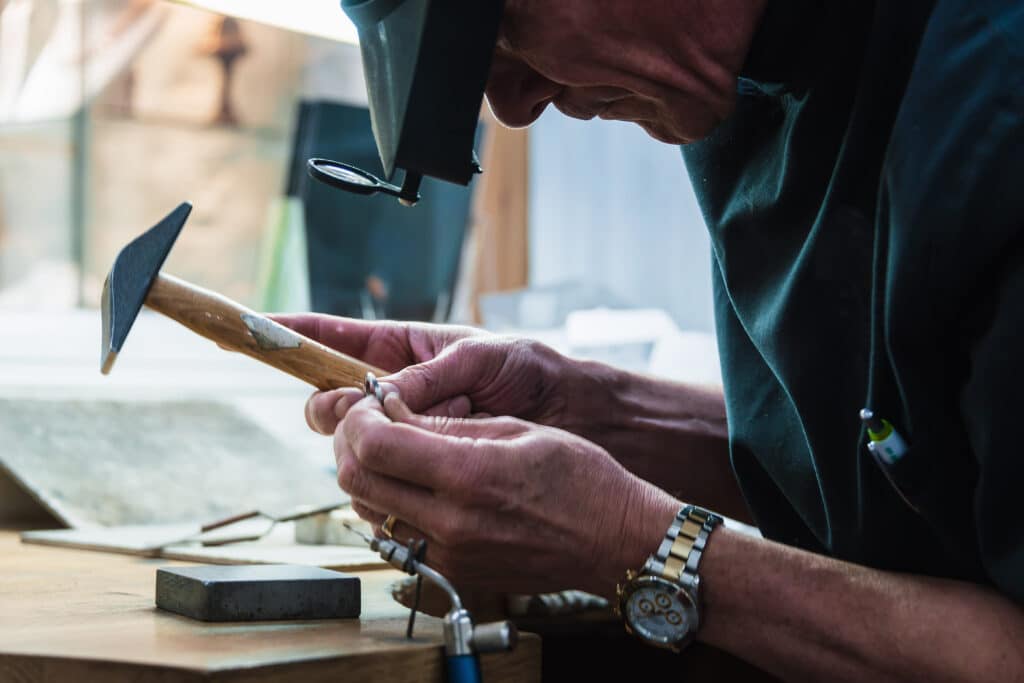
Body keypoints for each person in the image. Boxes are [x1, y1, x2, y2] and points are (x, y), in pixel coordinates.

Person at [276, 1, 1024, 679]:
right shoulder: (735, 81)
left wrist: (628, 542)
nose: (511, 106)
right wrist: (587, 409)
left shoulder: (993, 95)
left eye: (504, 25)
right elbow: (897, 454)